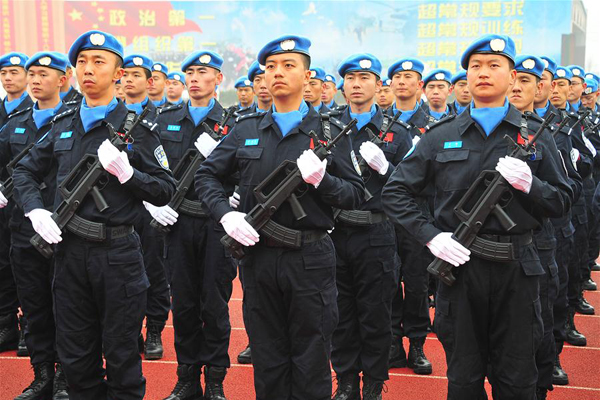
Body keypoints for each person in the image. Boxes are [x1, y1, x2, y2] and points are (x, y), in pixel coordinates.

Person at [382, 34, 572, 399]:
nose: (483, 73)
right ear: (466, 76)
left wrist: (533, 186)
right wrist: (431, 236)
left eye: (494, 65)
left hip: (517, 270)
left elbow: (563, 199)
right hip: (461, 274)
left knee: (517, 381)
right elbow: (395, 191)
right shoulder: (441, 136)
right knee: (464, 382)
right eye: (475, 66)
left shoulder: (534, 136)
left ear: (513, 77)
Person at [196, 34, 364, 400]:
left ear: (308, 78)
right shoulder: (246, 128)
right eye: (270, 67)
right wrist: (225, 215)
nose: (277, 73)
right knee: (268, 358)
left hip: (309, 259)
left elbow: (355, 194)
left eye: (289, 66)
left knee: (311, 358)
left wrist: (323, 181)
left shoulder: (329, 132)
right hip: (258, 258)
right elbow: (205, 175)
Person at [12, 30, 176, 400]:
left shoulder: (137, 128)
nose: (88, 69)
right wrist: (34, 208)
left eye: (98, 61)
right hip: (68, 255)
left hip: (117, 256)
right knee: (76, 357)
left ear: (118, 74)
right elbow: (24, 171)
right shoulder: (64, 123)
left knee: (121, 357)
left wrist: (129, 175)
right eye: (82, 61)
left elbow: (166, 188)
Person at [151, 49, 236, 400]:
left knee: (214, 303)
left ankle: (215, 378)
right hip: (179, 221)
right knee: (184, 302)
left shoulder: (235, 123)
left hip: (217, 224)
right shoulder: (167, 118)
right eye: (191, 72)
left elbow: (248, 169)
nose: (195, 78)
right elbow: (150, 168)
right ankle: (187, 376)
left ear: (219, 79)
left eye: (204, 72)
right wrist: (152, 204)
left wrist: (237, 197)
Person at [330, 53, 410, 400]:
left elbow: (414, 189)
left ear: (380, 86)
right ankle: (346, 381)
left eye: (364, 78)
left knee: (376, 314)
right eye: (350, 78)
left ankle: (374, 384)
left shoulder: (397, 133)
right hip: (337, 232)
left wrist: (387, 172)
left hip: (377, 233)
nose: (356, 84)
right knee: (341, 313)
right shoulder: (327, 127)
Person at [0, 51, 72, 400]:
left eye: (44, 73)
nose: (35, 80)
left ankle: (67, 376)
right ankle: (42, 374)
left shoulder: (75, 120)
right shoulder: (16, 123)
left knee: (70, 309)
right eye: (32, 74)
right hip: (23, 228)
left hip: (65, 231)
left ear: (63, 79)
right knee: (36, 308)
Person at [507, 54, 566, 400]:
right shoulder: (488, 132)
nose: (516, 87)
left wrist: (533, 186)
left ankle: (540, 385)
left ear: (539, 87)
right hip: (491, 249)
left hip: (537, 244)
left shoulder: (544, 135)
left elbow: (564, 193)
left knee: (537, 322)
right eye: (514, 80)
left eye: (526, 81)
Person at [535, 57, 584, 387]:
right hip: (514, 235)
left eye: (538, 80)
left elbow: (578, 178)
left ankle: (550, 359)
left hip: (554, 230)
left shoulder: (563, 128)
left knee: (550, 298)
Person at [386, 57, 435, 376]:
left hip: (419, 213)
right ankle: (392, 341)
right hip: (385, 214)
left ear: (420, 85)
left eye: (409, 77)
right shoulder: (379, 123)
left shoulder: (434, 125)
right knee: (387, 280)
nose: (402, 82)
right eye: (397, 77)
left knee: (417, 282)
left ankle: (416, 342)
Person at [121, 53, 171, 361]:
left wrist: (156, 202)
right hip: (122, 208)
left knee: (154, 270)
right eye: (124, 74)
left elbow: (167, 168)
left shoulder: (164, 118)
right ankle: (130, 329)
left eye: (136, 75)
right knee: (124, 275)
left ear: (149, 82)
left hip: (154, 208)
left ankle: (154, 328)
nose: (128, 80)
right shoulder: (110, 117)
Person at [0, 51, 32, 356]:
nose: (8, 78)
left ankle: (29, 326)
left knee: (28, 265)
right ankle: (6, 322)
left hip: (28, 205)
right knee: (3, 263)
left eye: (14, 72)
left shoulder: (36, 112)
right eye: (4, 73)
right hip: (2, 204)